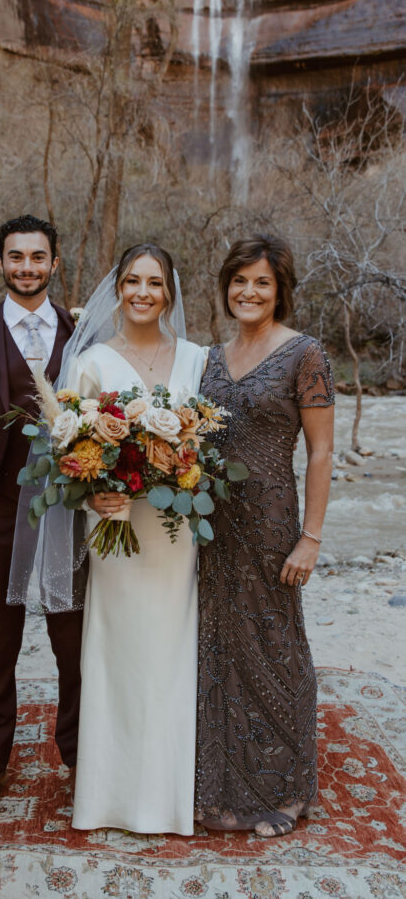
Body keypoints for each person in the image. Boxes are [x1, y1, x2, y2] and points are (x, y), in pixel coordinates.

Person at [20, 243, 205, 835]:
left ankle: (169, 797)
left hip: (176, 538)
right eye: (132, 281)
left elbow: (210, 444)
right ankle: (109, 797)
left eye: (154, 282)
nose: (143, 292)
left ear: (170, 292)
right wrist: (91, 491)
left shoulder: (199, 360)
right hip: (117, 526)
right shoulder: (92, 361)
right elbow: (65, 452)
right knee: (120, 656)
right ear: (118, 289)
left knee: (172, 657)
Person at [195, 234, 334, 838]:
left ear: (280, 292)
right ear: (226, 286)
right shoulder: (208, 357)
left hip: (273, 524)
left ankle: (288, 789)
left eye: (262, 283)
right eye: (239, 281)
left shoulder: (304, 353)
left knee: (276, 649)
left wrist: (311, 538)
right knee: (218, 649)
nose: (248, 292)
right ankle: (222, 788)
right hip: (211, 524)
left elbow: (323, 452)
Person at [0, 215, 83, 817]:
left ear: (56, 263)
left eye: (37, 257)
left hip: (67, 512)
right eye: (15, 256)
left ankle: (79, 756)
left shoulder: (83, 335)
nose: (26, 266)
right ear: (0, 263)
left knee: (73, 642)